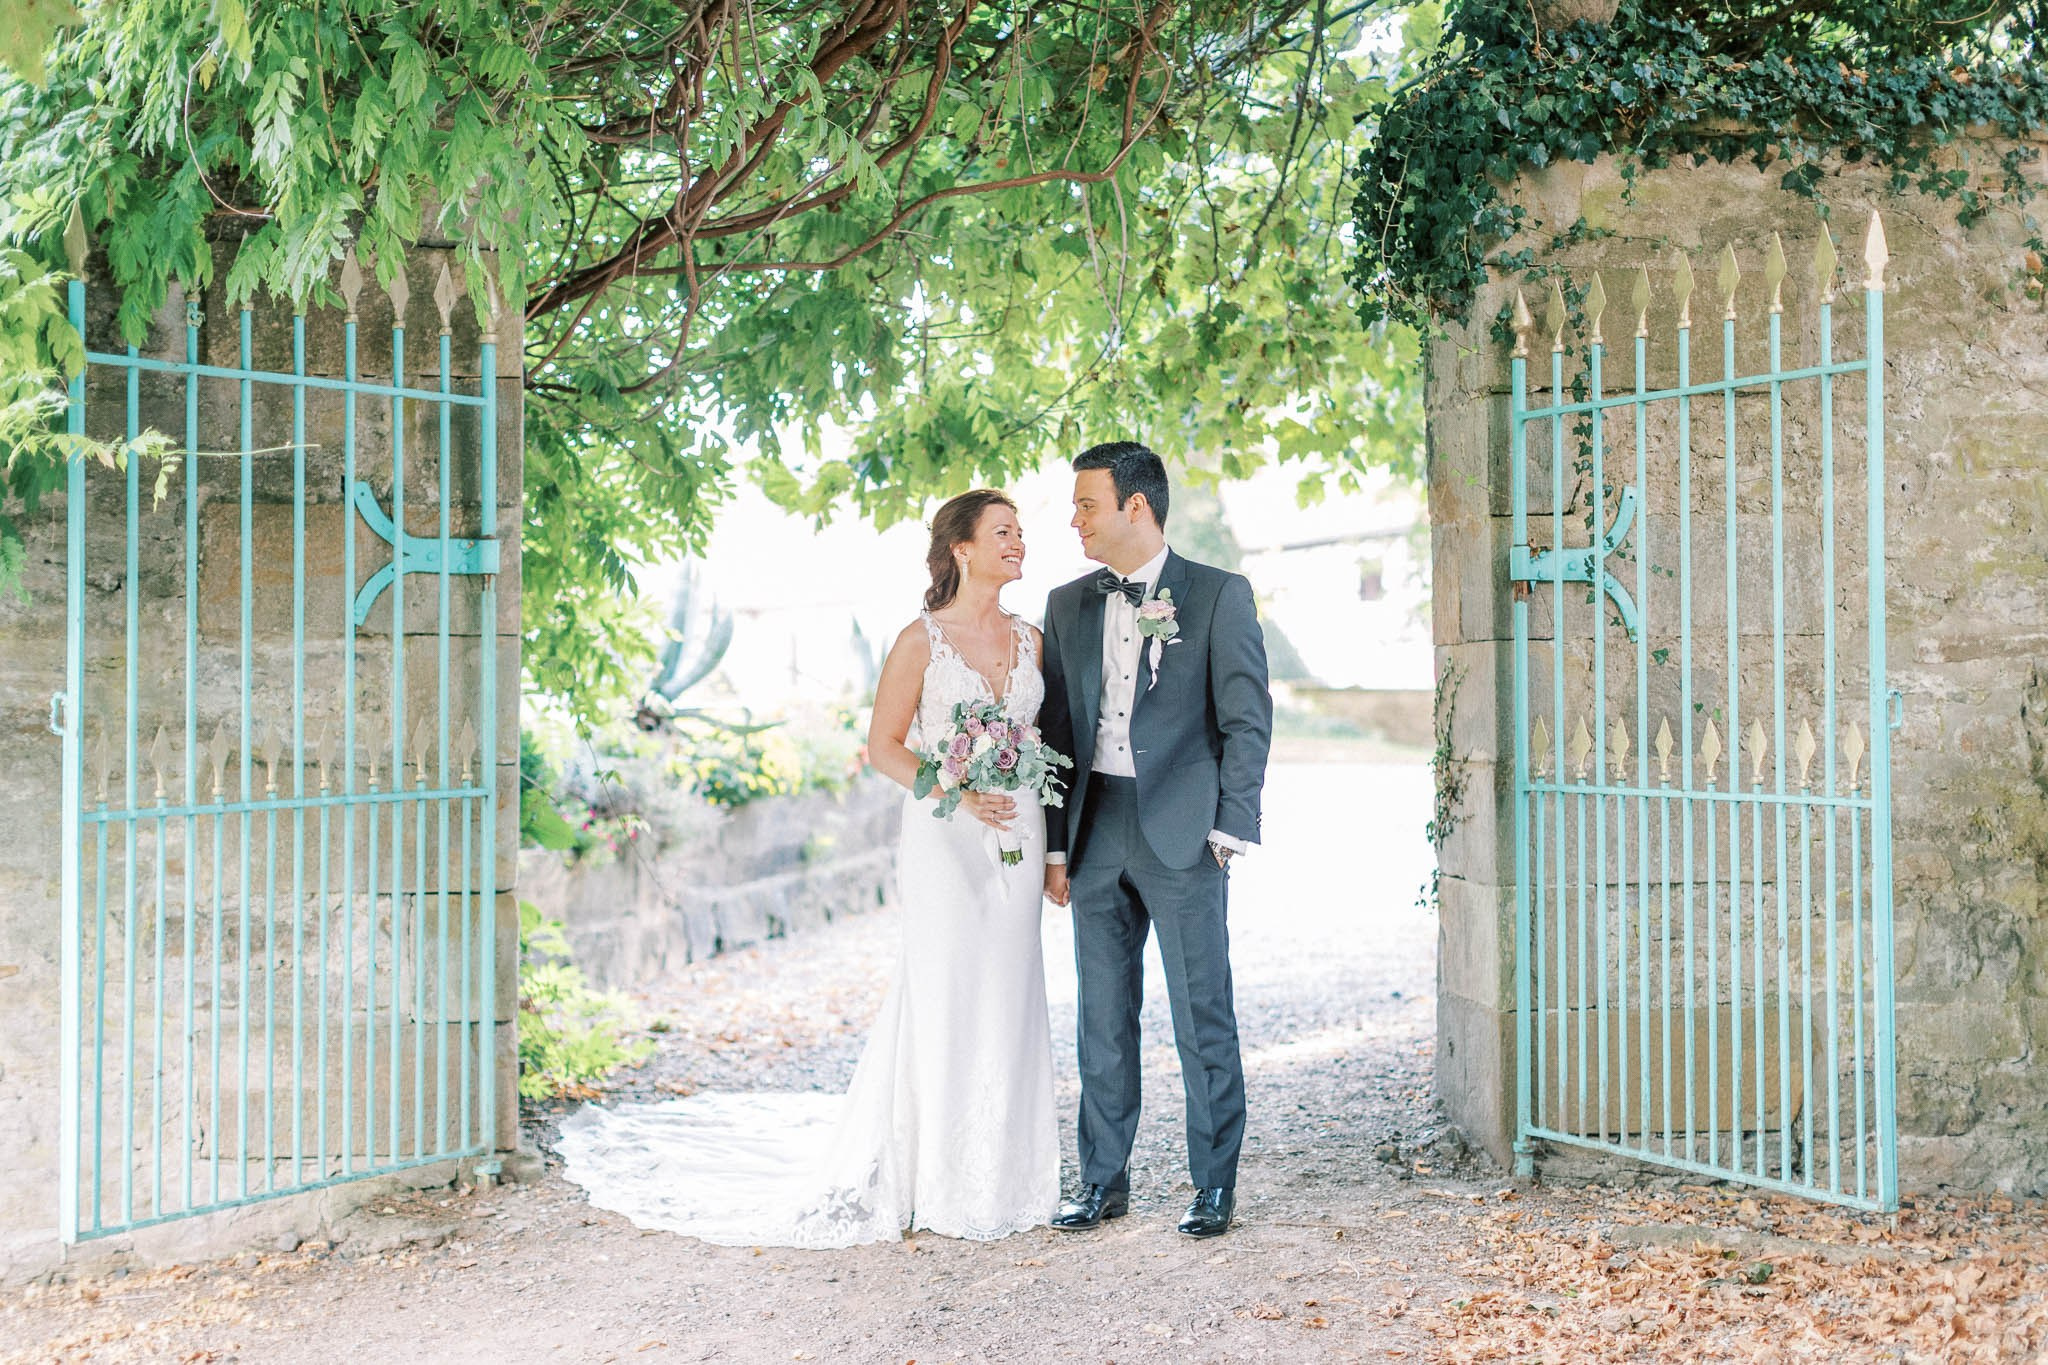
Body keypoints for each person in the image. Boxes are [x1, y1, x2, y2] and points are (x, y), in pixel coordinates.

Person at [556, 489, 1059, 1247]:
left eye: (1021, 531)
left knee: (1011, 985)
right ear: (961, 547)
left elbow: (1048, 734)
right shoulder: (919, 641)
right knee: (948, 984)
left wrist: (1040, 830)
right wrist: (956, 789)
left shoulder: (1034, 639)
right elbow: (886, 747)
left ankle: (1009, 1172)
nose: (1019, 541)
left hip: (1019, 823)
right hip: (945, 835)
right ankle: (940, 1179)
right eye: (1002, 532)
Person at [1037, 441, 1273, 1240]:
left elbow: (1246, 720)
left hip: (1184, 830)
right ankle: (1102, 1179)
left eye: (1087, 504)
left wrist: (1230, 826)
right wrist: (1057, 844)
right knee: (1101, 1015)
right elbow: (1057, 729)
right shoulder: (1066, 604)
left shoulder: (1216, 594)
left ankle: (1214, 1185)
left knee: (1202, 1010)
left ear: (1136, 506)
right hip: (1096, 828)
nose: (1074, 520)